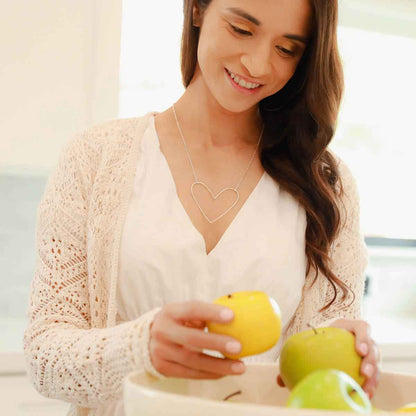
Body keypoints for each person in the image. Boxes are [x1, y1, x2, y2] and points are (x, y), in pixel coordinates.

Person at [23, 0, 381, 415]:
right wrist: (139, 347)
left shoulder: (326, 185)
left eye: (287, 49)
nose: (258, 64)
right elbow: (44, 356)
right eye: (242, 30)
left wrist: (347, 358)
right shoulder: (95, 157)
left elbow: (317, 368)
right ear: (197, 9)